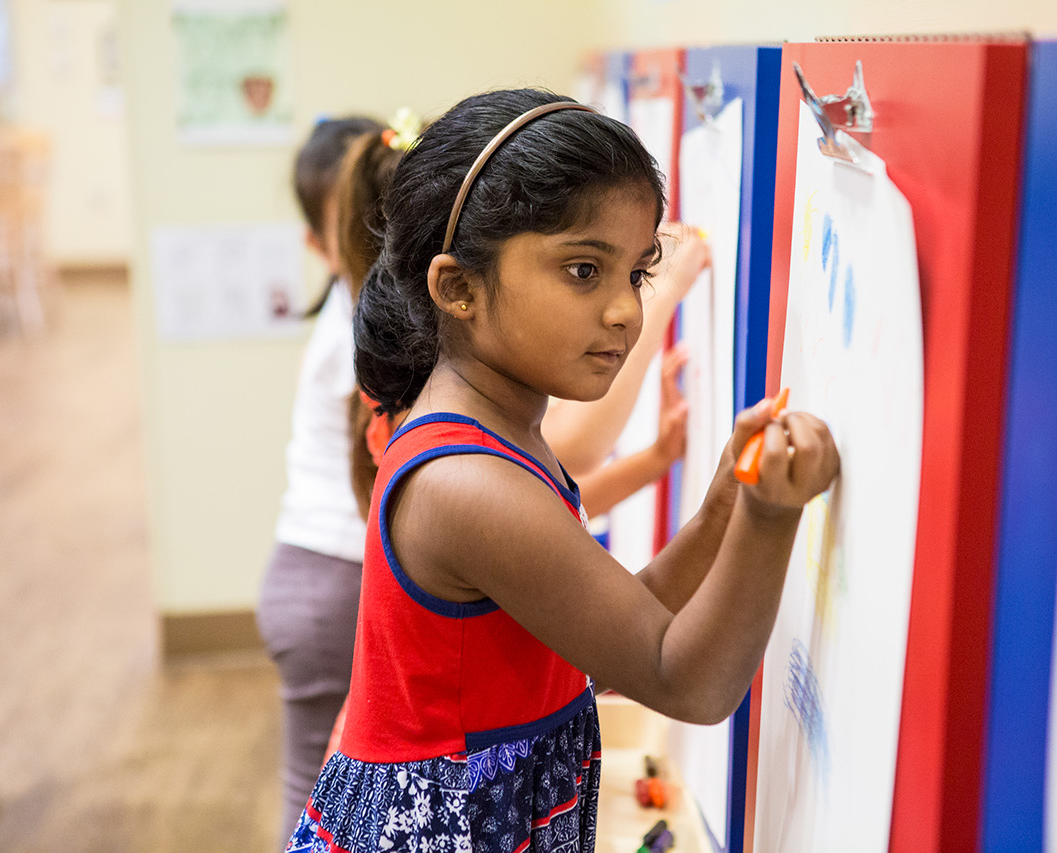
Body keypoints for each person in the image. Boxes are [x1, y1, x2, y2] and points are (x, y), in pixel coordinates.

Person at [286, 88, 838, 853]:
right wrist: (770, 517)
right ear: (459, 289)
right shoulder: (468, 484)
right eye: (584, 271)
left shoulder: (504, 432)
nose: (625, 311)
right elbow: (686, 680)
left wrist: (722, 509)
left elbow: (608, 633)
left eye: (638, 274)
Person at [255, 114, 385, 847]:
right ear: (317, 245)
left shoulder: (363, 310)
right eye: (361, 220)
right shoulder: (359, 334)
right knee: (315, 804)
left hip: (314, 580)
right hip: (326, 584)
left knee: (318, 798)